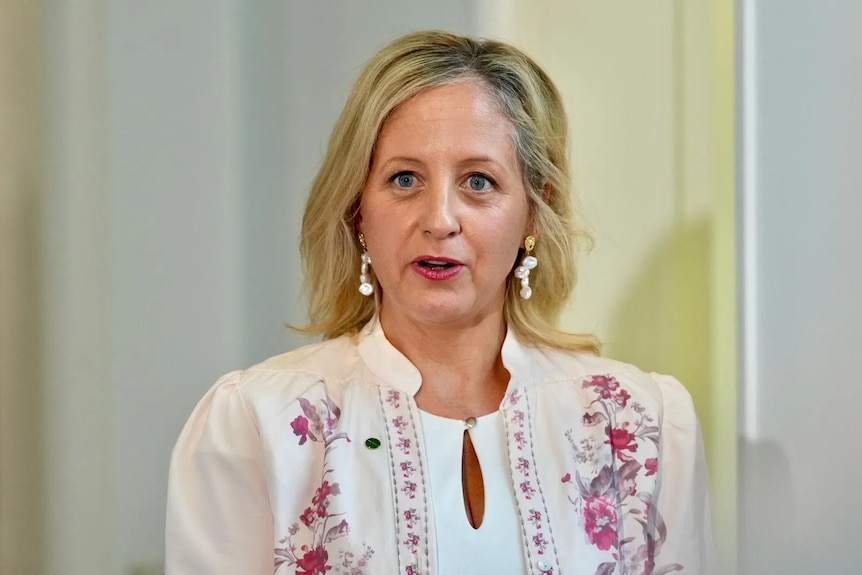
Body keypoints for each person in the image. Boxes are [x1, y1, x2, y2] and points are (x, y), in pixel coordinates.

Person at [165, 30, 714, 575]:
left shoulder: (642, 421)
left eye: (479, 181)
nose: (439, 220)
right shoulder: (255, 421)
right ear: (358, 208)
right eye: (404, 179)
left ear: (533, 212)